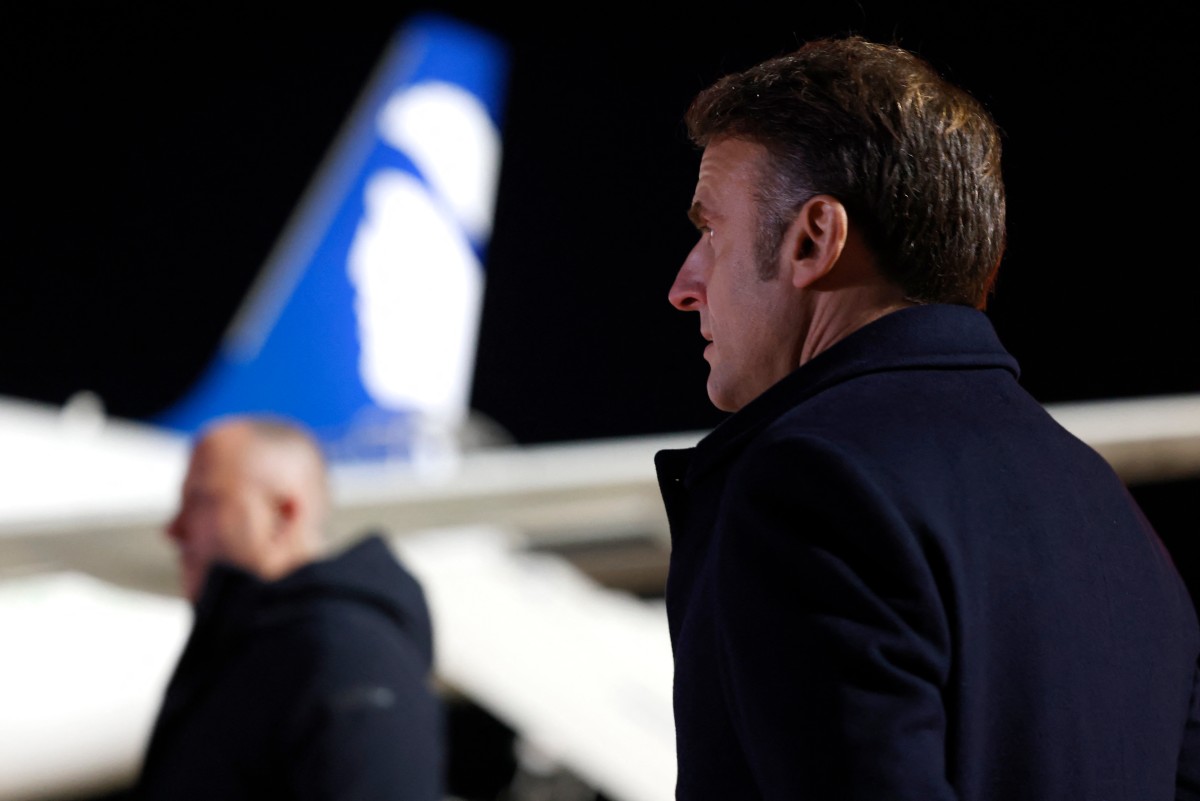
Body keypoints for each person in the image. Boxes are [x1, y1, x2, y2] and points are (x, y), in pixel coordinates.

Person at [654, 34, 1200, 800]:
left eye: (710, 230)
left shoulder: (809, 484)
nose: (685, 285)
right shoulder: (1114, 517)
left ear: (815, 238)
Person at [131, 414, 443, 801]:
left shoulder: (347, 653)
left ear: (283, 514)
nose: (174, 529)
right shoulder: (250, 648)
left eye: (202, 500)